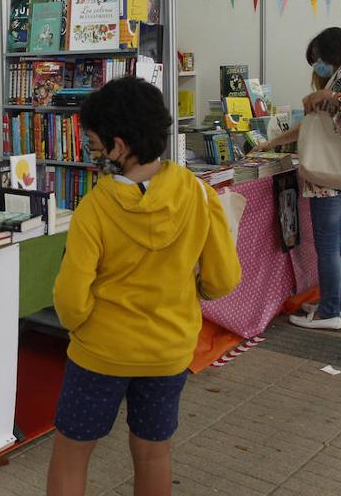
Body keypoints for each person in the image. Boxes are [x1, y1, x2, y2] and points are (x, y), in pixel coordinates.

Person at [48, 77, 241, 496]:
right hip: (169, 350)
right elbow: (223, 278)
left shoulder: (94, 209)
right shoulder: (197, 193)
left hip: (100, 353)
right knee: (154, 453)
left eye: (96, 144)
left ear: (118, 147)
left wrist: (80, 325)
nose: (93, 152)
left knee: (72, 451)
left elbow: (70, 298)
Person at [250, 27, 341, 330]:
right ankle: (338, 303)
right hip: (337, 174)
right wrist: (273, 143)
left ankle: (329, 312)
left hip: (329, 177)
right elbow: (312, 125)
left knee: (328, 245)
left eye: (317, 58)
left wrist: (327, 96)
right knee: (334, 245)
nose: (315, 66)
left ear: (330, 53)